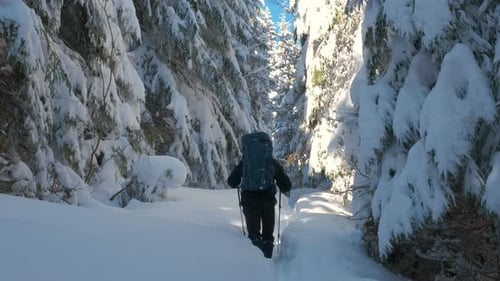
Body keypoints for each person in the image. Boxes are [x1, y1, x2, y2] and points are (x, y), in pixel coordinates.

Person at [227, 134, 291, 258]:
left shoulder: (245, 162)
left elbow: (231, 182)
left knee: (254, 234)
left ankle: (257, 264)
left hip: (249, 201)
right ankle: (267, 259)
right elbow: (286, 186)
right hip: (268, 201)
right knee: (268, 234)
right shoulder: (271, 162)